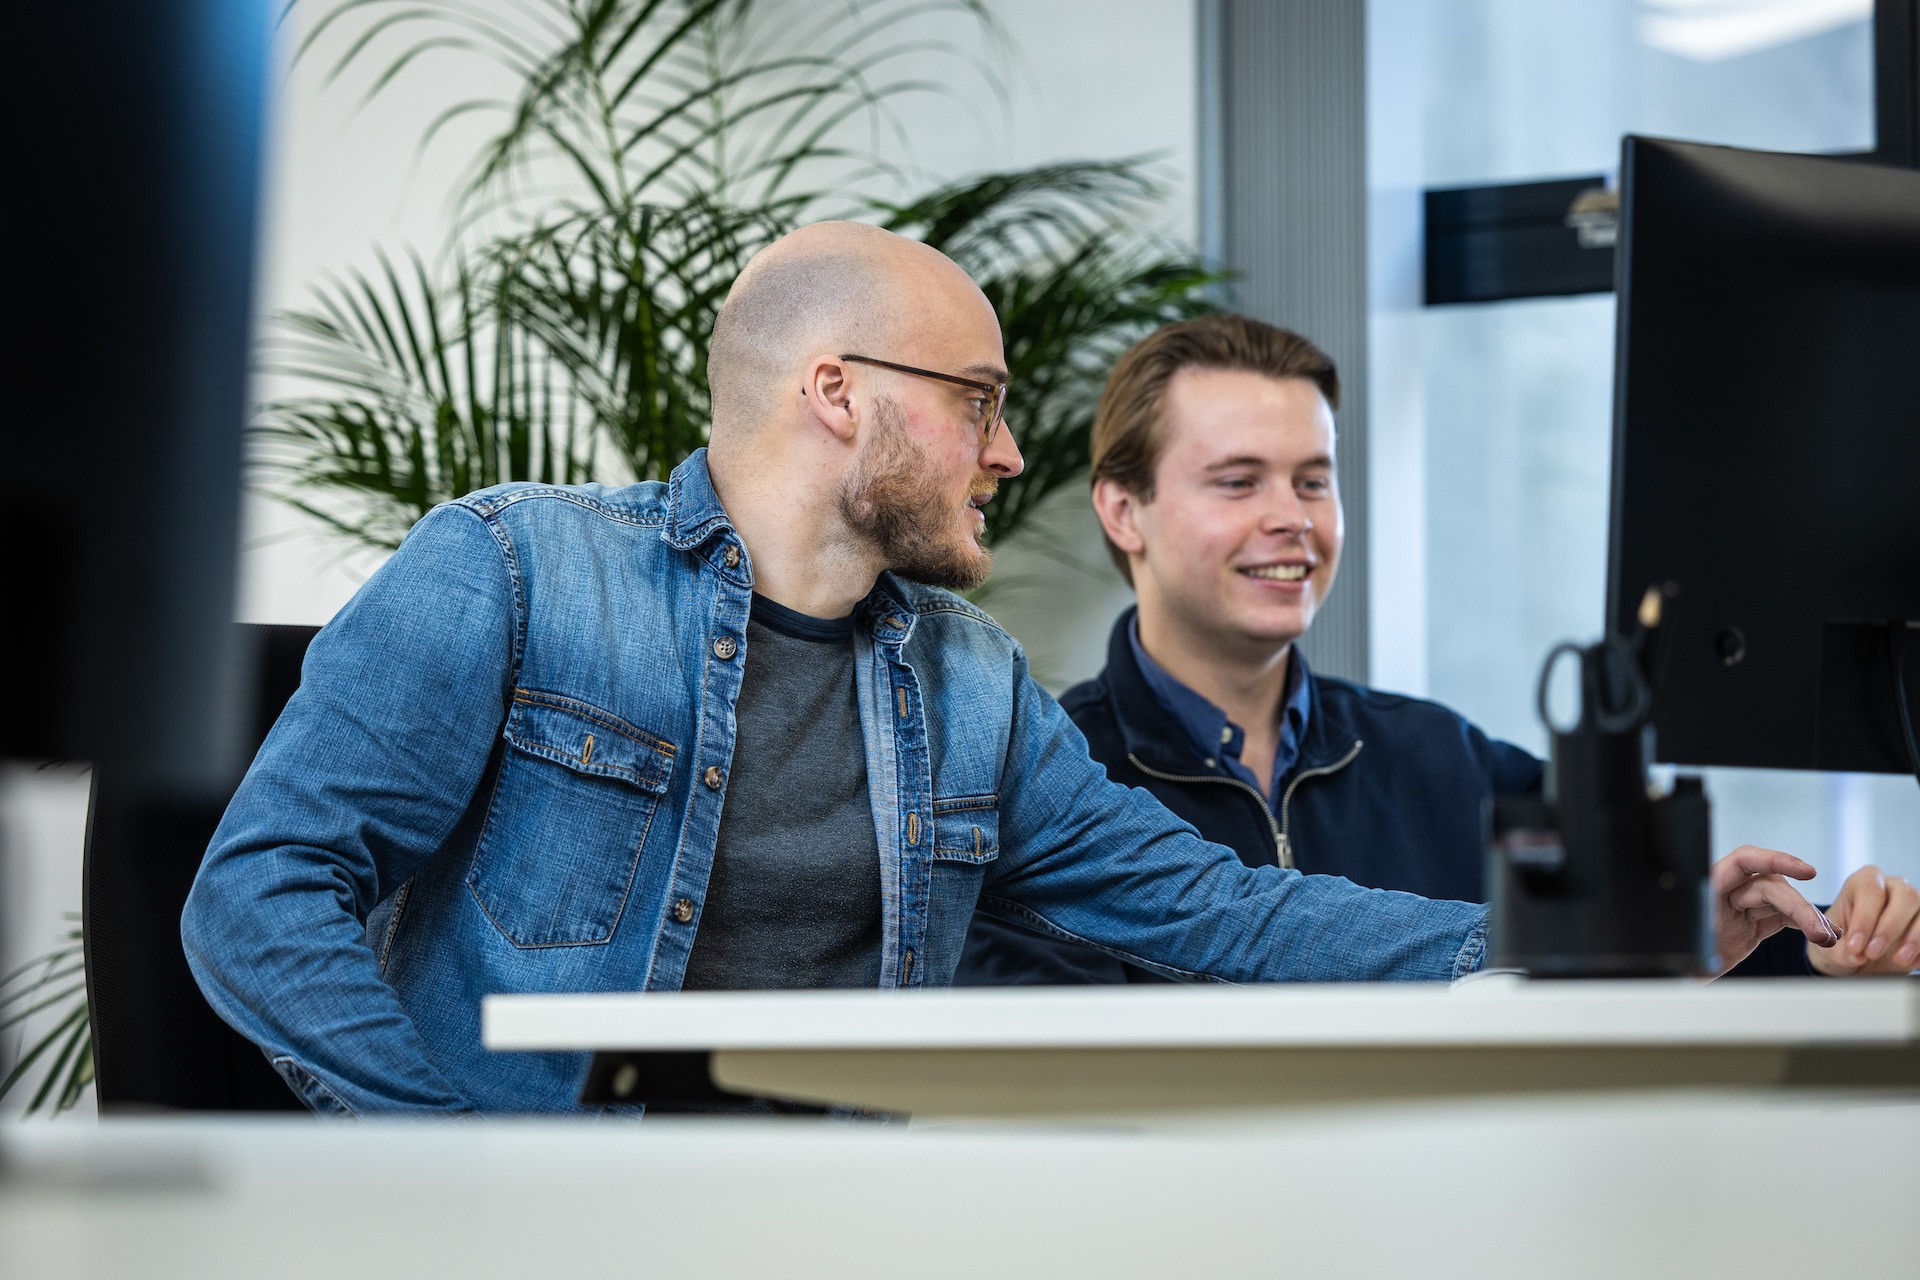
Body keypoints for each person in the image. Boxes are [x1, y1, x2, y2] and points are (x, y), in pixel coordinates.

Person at [181, 226, 1841, 1116]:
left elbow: (1217, 916)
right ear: (838, 392)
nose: (1006, 447)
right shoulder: (517, 573)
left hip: (854, 1227)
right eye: (975, 399)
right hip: (539, 1227)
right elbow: (258, 899)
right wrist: (464, 1179)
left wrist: (1628, 937)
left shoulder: (961, 680)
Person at [957, 313, 1918, 987]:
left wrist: (1837, 943)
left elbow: (1682, 938)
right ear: (1124, 511)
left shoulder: (1442, 759)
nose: (1292, 520)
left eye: (1313, 481)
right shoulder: (1048, 781)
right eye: (1239, 482)